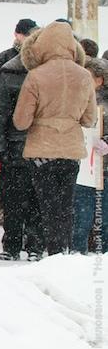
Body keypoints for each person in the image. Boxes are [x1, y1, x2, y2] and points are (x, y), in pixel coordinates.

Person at [13, 21, 96, 257]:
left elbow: (21, 121)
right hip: (71, 150)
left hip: (42, 151)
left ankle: (51, 251)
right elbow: (89, 119)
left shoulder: (35, 76)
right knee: (65, 205)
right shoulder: (84, 76)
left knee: (46, 205)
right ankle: (65, 251)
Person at [0, 30, 43, 261]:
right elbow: (1, 110)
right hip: (23, 143)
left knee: (24, 198)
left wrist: (0, 142)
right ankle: (24, 244)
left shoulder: (12, 70)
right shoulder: (13, 70)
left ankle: (23, 244)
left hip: (19, 142)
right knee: (23, 198)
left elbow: (1, 111)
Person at [71, 58, 108, 254]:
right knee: (82, 217)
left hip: (104, 168)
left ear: (100, 80)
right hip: (84, 167)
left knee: (104, 217)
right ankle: (78, 253)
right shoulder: (78, 98)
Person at [0, 19, 37, 98]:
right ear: (16, 34)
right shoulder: (3, 58)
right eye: (25, 34)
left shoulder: (39, 57)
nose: (28, 38)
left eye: (31, 35)